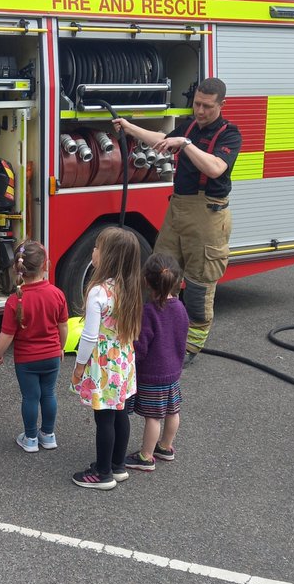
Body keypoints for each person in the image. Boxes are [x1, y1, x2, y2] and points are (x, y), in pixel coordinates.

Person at [113, 77, 241, 362]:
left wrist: (185, 143)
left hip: (208, 214)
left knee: (198, 286)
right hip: (179, 209)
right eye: (196, 103)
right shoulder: (191, 127)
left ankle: (189, 349)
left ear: (222, 104)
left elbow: (216, 167)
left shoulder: (229, 134)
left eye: (207, 106)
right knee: (158, 273)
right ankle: (154, 334)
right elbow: (162, 141)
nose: (200, 111)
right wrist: (130, 127)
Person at [70, 226, 142, 490]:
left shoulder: (98, 292)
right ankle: (117, 465)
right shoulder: (130, 288)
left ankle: (102, 474)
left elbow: (89, 337)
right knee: (120, 411)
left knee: (104, 418)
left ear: (108, 256)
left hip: (103, 364)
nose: (93, 251)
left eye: (97, 247)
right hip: (123, 361)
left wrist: (78, 368)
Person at [0, 240, 69, 452]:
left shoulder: (16, 300)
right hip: (51, 356)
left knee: (31, 397)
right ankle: (48, 435)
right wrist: (61, 347)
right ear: (46, 266)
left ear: (17, 268)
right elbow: (63, 327)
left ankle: (31, 438)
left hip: (26, 360)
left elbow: (7, 334)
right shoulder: (57, 294)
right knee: (49, 394)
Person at [125, 253, 189, 472]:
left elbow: (140, 347)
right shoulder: (180, 308)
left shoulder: (149, 312)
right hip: (172, 373)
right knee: (172, 411)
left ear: (146, 281)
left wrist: (131, 359)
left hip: (152, 375)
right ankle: (166, 446)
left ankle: (146, 456)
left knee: (153, 417)